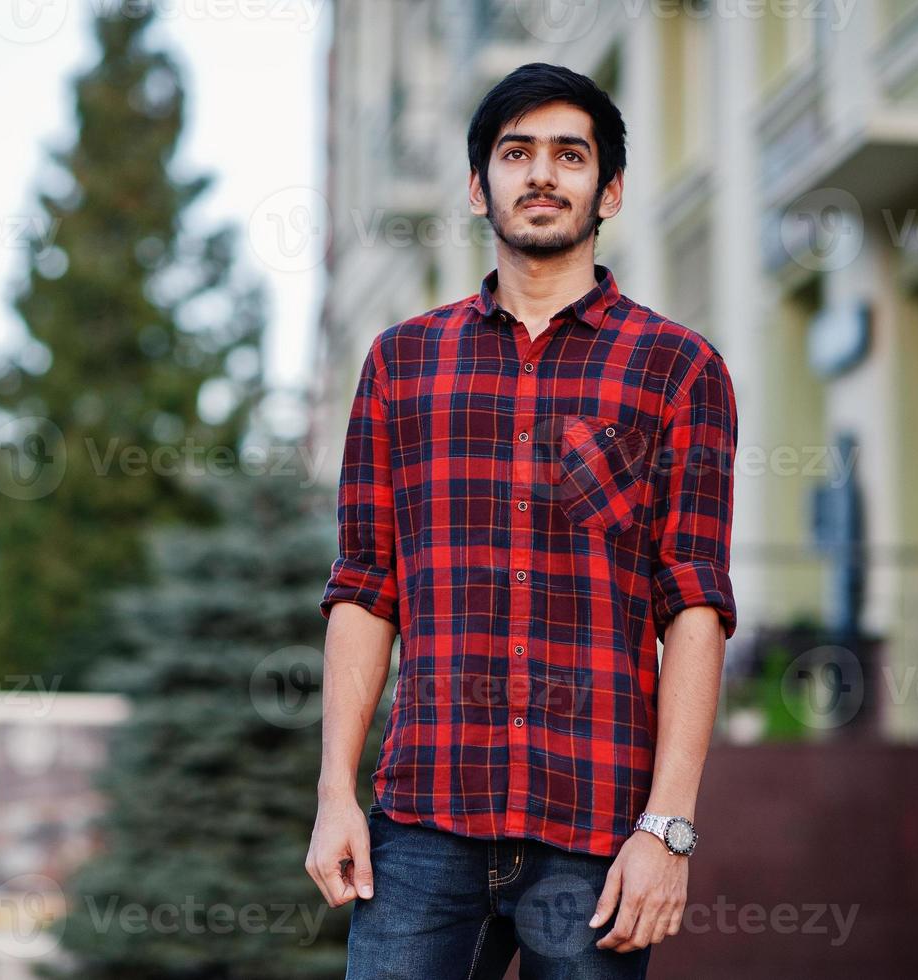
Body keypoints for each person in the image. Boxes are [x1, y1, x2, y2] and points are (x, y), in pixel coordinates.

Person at [306, 63, 740, 979]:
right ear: (478, 186)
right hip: (421, 824)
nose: (541, 174)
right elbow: (363, 588)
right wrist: (334, 794)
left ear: (608, 189)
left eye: (569, 155)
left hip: (595, 831)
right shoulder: (400, 364)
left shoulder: (677, 369)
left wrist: (668, 827)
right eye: (515, 153)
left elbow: (693, 605)